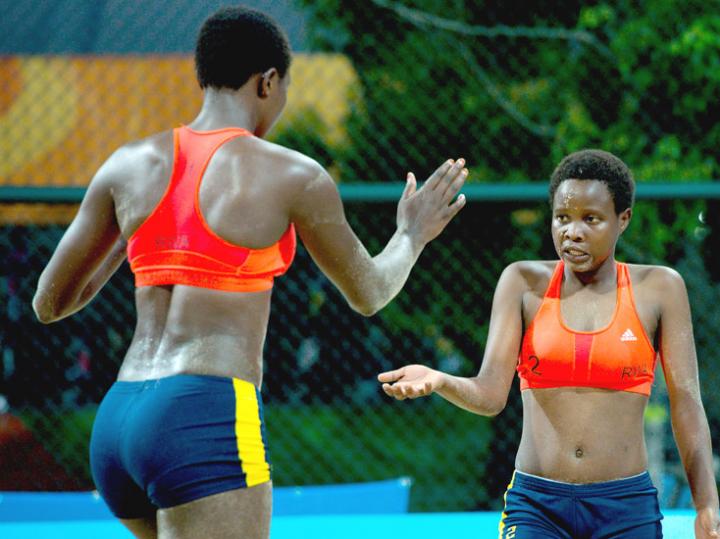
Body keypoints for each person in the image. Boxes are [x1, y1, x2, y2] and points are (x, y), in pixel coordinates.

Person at [32, 6, 467, 539]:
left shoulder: (128, 164)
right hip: (201, 412)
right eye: (282, 89)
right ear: (267, 82)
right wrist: (411, 234)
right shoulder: (293, 174)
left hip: (119, 418)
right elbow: (370, 292)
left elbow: (48, 303)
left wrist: (128, 242)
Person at [379, 149, 720, 539]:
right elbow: (491, 395)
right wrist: (440, 379)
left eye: (590, 219)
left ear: (623, 219)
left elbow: (688, 406)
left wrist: (706, 506)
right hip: (537, 506)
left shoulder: (660, 289)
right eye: (562, 218)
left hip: (625, 506)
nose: (572, 232)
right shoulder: (522, 284)